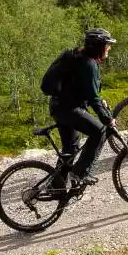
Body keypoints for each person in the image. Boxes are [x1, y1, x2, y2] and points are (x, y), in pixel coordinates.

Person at [45, 28, 117, 193]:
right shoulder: (89, 64)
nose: (109, 48)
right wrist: (107, 118)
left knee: (70, 148)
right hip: (68, 109)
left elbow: (84, 89)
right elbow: (93, 97)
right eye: (107, 45)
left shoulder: (79, 57)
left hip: (59, 107)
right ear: (99, 46)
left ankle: (56, 186)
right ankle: (80, 173)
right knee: (100, 131)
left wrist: (98, 100)